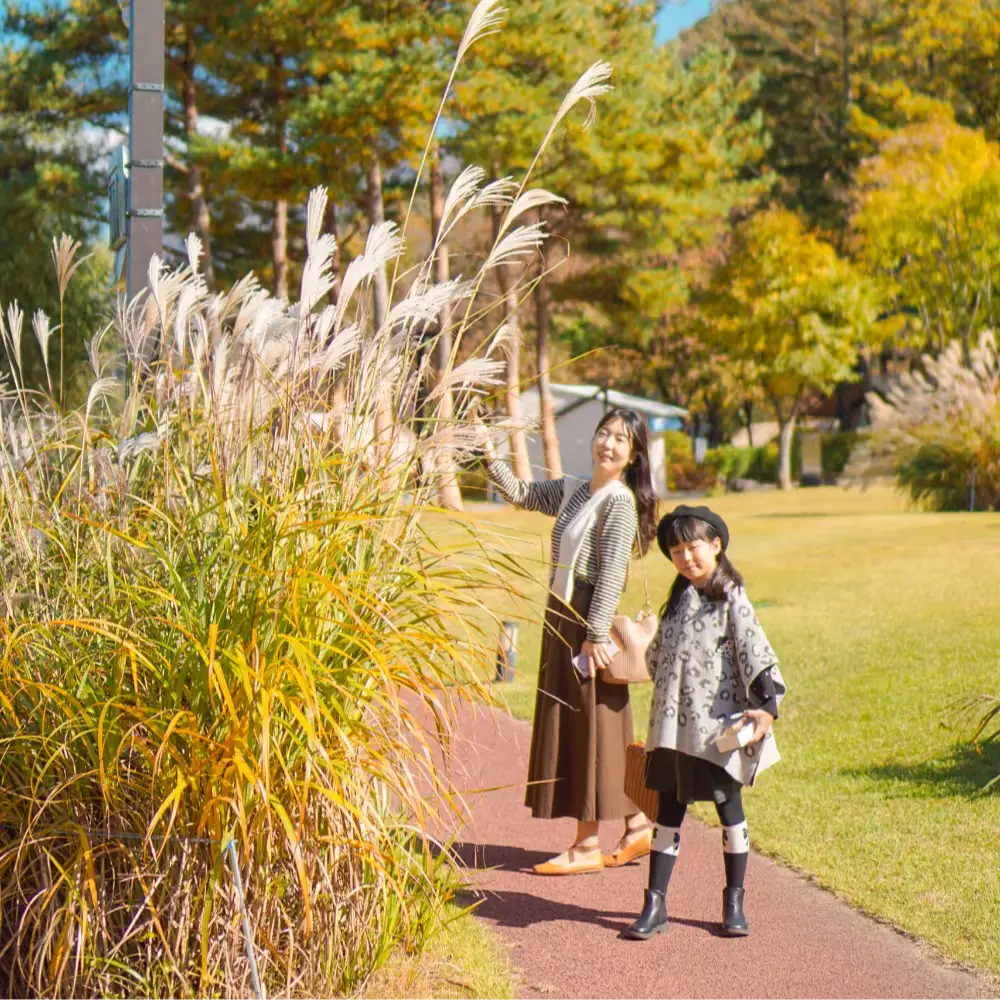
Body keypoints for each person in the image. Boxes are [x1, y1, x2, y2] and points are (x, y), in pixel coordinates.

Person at [477, 408, 658, 875]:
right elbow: (520, 493)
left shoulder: (617, 502)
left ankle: (586, 846)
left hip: (584, 623)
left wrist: (594, 634)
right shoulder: (575, 489)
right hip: (561, 614)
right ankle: (638, 826)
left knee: (586, 729)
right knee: (600, 727)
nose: (609, 444)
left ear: (633, 454)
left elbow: (612, 570)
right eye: (605, 433)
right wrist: (486, 447)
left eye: (621, 439)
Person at [624, 505, 786, 939]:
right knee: (668, 811)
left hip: (716, 728)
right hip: (673, 728)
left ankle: (734, 901)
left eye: (693, 547)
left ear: (715, 545)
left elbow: (755, 647)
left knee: (728, 809)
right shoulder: (677, 601)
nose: (685, 557)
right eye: (675, 550)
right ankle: (655, 903)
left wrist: (768, 706)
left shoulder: (730, 596)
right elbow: (657, 656)